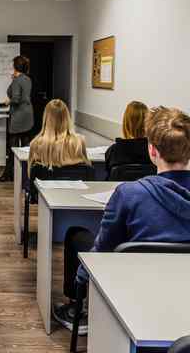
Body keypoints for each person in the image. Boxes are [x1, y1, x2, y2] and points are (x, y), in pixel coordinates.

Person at [53, 106, 190, 335]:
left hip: (133, 290)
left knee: (77, 235)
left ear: (152, 150)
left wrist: (80, 280)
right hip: (184, 293)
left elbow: (103, 249)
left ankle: (78, 312)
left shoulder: (129, 194)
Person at [0, 55, 34, 182]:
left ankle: (8, 174)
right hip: (28, 115)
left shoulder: (17, 80)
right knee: (25, 148)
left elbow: (15, 98)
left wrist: (7, 102)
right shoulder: (27, 79)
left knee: (12, 147)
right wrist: (13, 79)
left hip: (18, 116)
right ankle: (26, 176)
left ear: (15, 67)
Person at [29, 99, 90, 170]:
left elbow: (31, 173)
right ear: (67, 117)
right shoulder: (79, 142)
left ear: (46, 118)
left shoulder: (36, 144)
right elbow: (87, 167)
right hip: (73, 177)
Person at [105, 101, 152, 177]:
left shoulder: (114, 151)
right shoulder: (154, 152)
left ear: (126, 123)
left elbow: (109, 175)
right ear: (147, 123)